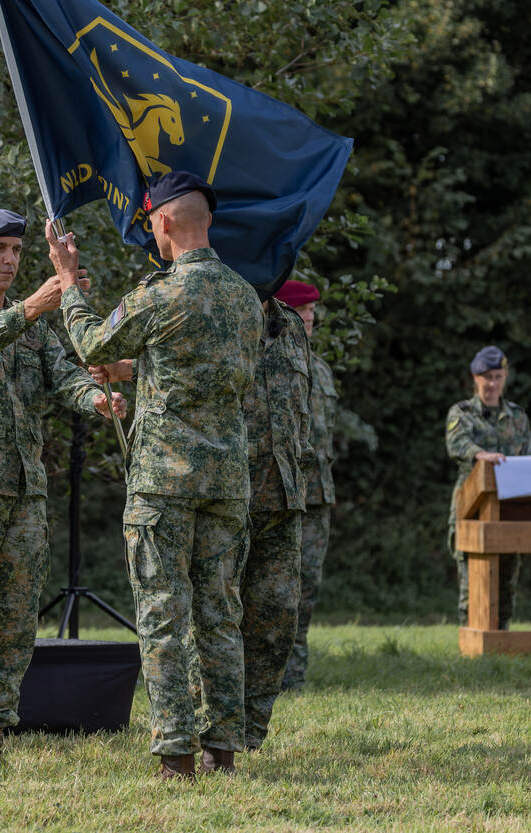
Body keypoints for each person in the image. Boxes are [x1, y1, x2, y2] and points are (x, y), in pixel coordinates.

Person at [51, 171, 263, 779]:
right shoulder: (244, 296)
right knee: (220, 613)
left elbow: (90, 343)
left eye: (151, 222)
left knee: (163, 613)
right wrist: (139, 372)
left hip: (165, 482)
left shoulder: (163, 294)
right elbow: (206, 374)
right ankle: (222, 748)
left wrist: (68, 280)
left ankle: (175, 752)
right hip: (225, 481)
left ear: (164, 221)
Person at [0, 208, 126, 766]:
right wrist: (35, 306)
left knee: (14, 624)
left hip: (23, 497)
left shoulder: (31, 331)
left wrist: (100, 399)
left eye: (16, 249)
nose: (10, 259)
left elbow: (67, 378)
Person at [237, 280, 315, 749]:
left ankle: (250, 731)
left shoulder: (291, 327)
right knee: (217, 618)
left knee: (276, 619)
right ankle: (214, 729)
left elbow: (299, 413)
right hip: (229, 494)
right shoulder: (221, 313)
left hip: (284, 497)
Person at [445, 345, 531, 629]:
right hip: (472, 507)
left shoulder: (518, 416)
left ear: (505, 376)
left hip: (509, 507)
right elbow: (457, 443)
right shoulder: (462, 412)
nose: (493, 383)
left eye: (498, 376)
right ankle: (471, 643)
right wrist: (479, 454)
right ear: (475, 378)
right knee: (472, 583)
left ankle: (502, 640)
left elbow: (530, 454)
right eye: (487, 377)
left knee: (506, 580)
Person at [281, 280, 336, 691]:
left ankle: (294, 677)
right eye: (302, 315)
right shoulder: (272, 362)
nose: (309, 322)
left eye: (312, 317)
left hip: (317, 494)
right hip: (280, 492)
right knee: (273, 588)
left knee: (307, 586)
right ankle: (265, 674)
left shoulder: (321, 370)